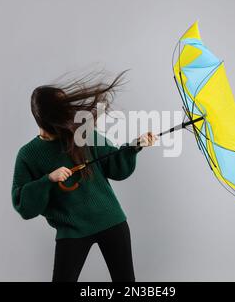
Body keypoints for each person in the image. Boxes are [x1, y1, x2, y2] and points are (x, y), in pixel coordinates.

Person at [11, 72, 157, 282]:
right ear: (44, 117)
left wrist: (134, 147)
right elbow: (23, 205)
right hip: (72, 230)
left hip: (110, 220)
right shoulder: (28, 155)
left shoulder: (83, 135)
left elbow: (115, 167)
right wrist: (48, 180)